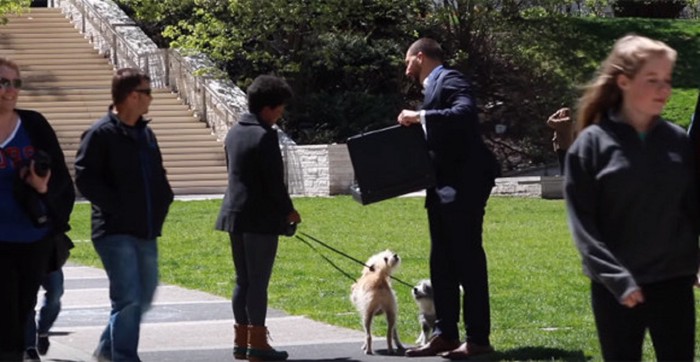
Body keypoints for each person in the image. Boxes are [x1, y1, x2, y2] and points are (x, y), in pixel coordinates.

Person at [565, 35, 698, 361]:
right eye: (652, 80)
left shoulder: (677, 140)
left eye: (667, 80)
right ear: (623, 82)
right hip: (617, 290)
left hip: (673, 282)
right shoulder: (591, 146)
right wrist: (617, 280)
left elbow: (692, 207)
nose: (664, 89)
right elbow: (583, 227)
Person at [397, 38, 499, 359]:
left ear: (420, 57)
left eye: (407, 61)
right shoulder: (431, 87)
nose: (405, 68)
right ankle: (445, 334)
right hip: (440, 186)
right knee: (440, 260)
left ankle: (478, 339)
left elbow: (464, 113)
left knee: (467, 258)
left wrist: (421, 116)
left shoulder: (450, 78)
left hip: (465, 185)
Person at [74, 68, 174, 362]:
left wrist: (163, 201)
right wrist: (116, 206)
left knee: (144, 295)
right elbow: (84, 177)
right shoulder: (100, 134)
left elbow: (158, 176)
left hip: (145, 229)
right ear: (131, 96)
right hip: (114, 231)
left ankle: (107, 349)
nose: (151, 98)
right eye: (147, 92)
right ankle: (124, 357)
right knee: (127, 297)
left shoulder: (146, 134)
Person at [215, 74, 301, 362]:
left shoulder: (234, 132)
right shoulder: (265, 135)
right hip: (260, 218)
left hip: (234, 215)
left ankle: (241, 341)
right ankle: (259, 344)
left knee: (243, 281)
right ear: (268, 108)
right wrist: (289, 211)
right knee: (259, 283)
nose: (281, 114)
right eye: (280, 108)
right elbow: (273, 182)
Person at [0, 57, 75, 362]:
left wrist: (42, 187)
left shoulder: (34, 124)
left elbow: (61, 182)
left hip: (34, 238)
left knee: (21, 313)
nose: (11, 90)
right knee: (4, 315)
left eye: (16, 83)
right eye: (3, 82)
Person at [25, 268, 65, 359]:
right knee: (27, 301)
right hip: (23, 259)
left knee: (56, 292)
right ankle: (29, 347)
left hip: (49, 259)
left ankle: (43, 331)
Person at [546, 106, 574, 175]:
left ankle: (564, 178)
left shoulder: (563, 122)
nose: (559, 115)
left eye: (561, 113)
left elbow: (549, 121)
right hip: (568, 146)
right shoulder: (570, 122)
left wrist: (556, 113)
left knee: (563, 164)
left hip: (562, 147)